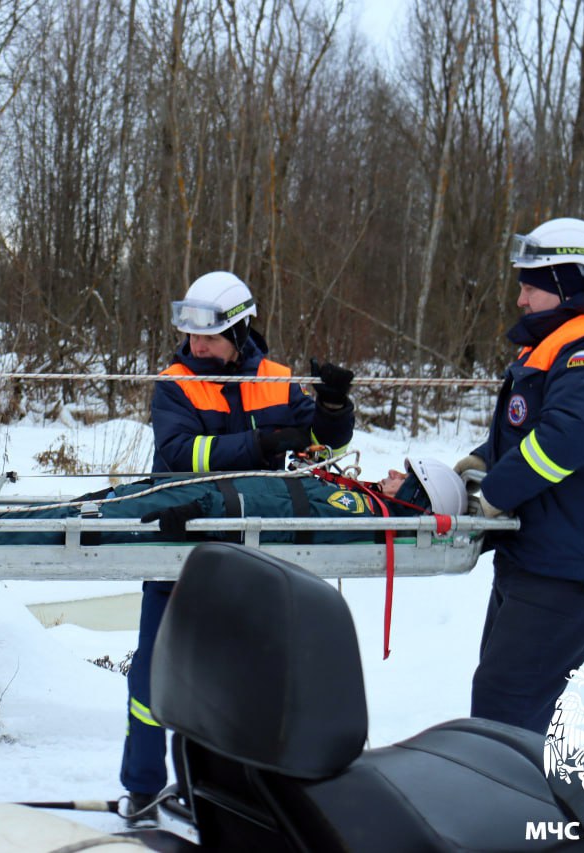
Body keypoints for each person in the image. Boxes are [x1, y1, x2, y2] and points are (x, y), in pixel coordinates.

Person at [124, 271, 357, 824]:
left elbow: (321, 444)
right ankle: (143, 788)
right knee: (153, 673)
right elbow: (181, 453)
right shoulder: (176, 383)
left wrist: (332, 409)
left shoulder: (278, 381)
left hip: (257, 551)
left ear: (240, 331)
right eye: (191, 334)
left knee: (239, 679)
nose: (197, 345)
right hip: (180, 543)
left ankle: (224, 795)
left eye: (209, 336)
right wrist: (259, 443)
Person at [455, 218, 584, 735]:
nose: (520, 299)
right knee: (503, 705)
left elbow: (567, 440)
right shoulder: (564, 340)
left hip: (569, 565)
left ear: (566, 284)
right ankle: (506, 783)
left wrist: (493, 494)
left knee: (505, 712)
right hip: (540, 554)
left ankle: (506, 790)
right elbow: (533, 428)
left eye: (531, 285)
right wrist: (483, 461)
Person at [0, 458, 465, 547]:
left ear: (415, 497)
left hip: (202, 506)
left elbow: (285, 518)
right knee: (87, 507)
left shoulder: (362, 512)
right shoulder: (363, 500)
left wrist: (203, 518)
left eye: (403, 475)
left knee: (77, 524)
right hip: (199, 493)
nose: (390, 473)